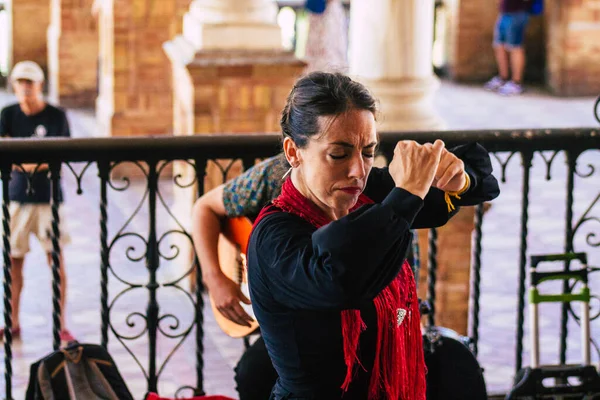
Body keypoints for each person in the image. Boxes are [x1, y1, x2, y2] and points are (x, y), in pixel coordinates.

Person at [246, 71, 500, 399]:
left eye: (367, 152)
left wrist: (457, 177)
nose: (358, 170)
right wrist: (406, 194)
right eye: (339, 154)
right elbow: (342, 279)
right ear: (293, 152)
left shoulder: (368, 194)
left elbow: (471, 184)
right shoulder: (273, 237)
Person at [0, 61, 74, 344]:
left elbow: (61, 154)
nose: (25, 89)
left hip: (49, 198)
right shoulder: (8, 114)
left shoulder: (56, 116)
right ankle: (12, 321)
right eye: (20, 83)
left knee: (55, 260)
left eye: (30, 83)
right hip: (16, 198)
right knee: (13, 260)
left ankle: (61, 323)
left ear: (40, 85)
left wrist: (24, 164)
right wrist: (35, 163)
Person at [484, 0, 532, 95]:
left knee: (515, 47)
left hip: (518, 12)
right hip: (505, 12)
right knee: (499, 44)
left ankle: (516, 83)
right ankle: (503, 78)